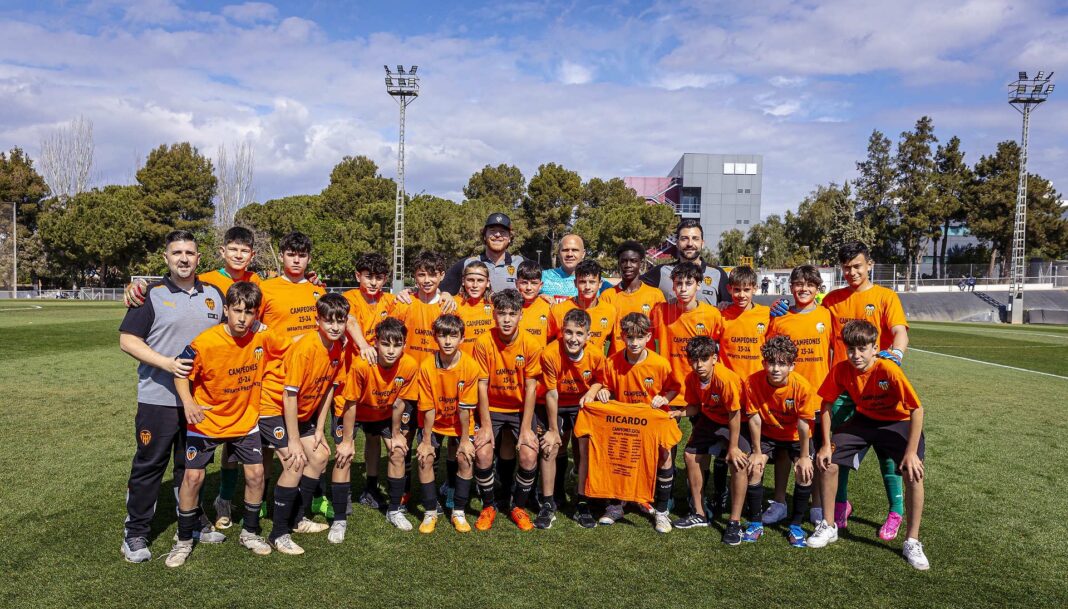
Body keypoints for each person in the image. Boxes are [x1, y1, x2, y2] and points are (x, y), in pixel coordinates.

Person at [118, 230, 227, 563]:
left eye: (189, 253)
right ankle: (135, 533)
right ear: (166, 258)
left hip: (200, 401)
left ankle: (192, 522)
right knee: (150, 465)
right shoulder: (151, 295)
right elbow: (127, 340)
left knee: (191, 465)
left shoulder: (214, 294)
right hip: (158, 399)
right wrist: (167, 363)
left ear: (199, 258)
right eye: (177, 252)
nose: (183, 258)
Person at [165, 281, 275, 566]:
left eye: (249, 312)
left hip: (244, 420)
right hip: (207, 420)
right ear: (226, 310)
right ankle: (183, 539)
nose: (242, 318)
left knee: (256, 475)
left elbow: (292, 344)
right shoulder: (205, 342)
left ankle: (250, 533)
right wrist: (188, 403)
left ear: (256, 314)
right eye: (237, 311)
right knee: (193, 478)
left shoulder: (263, 337)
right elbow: (180, 371)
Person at [809, 320, 929, 571]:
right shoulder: (842, 369)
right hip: (865, 420)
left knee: (913, 472)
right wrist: (826, 444)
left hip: (898, 422)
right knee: (827, 462)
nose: (856, 355)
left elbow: (916, 409)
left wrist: (911, 453)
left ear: (875, 348)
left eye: (862, 349)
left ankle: (912, 541)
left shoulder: (888, 369)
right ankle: (828, 525)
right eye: (851, 349)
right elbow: (826, 404)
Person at [821, 241, 909, 540]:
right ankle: (841, 505)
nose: (852, 272)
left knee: (888, 454)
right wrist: (781, 310)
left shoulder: (885, 296)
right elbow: (812, 324)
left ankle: (896, 511)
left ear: (869, 264)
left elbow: (898, 331)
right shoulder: (832, 300)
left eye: (857, 266)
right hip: (844, 389)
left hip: (878, 388)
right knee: (840, 450)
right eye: (846, 267)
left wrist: (896, 354)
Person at [259, 293, 349, 555]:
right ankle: (278, 533)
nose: (335, 326)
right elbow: (289, 396)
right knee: (295, 461)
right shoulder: (306, 348)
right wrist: (295, 440)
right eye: (329, 320)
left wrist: (319, 428)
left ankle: (297, 519)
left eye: (340, 321)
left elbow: (329, 388)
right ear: (317, 320)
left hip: (301, 413)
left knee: (319, 456)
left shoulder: (338, 347)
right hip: (273, 408)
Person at [330, 318, 419, 539]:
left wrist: (396, 434)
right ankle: (339, 520)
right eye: (385, 344)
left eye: (397, 345)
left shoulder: (409, 365)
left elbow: (399, 402)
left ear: (404, 344)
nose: (391, 350)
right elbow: (350, 403)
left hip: (383, 412)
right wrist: (347, 441)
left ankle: (394, 510)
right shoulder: (362, 365)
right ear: (376, 343)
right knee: (344, 456)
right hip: (354, 411)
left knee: (398, 451)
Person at [593, 312, 679, 532]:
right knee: (617, 455)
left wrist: (664, 398)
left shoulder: (660, 364)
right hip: (625, 423)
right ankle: (615, 506)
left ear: (648, 337)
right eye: (629, 337)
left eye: (639, 337)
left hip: (652, 422)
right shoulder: (612, 362)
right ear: (622, 336)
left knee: (665, 455)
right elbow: (606, 385)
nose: (634, 342)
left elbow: (673, 388)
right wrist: (604, 391)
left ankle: (661, 511)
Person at [472, 289, 544, 531]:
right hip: (491, 407)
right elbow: (481, 385)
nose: (506, 319)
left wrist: (526, 429)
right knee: (483, 452)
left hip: (519, 408)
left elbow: (531, 388)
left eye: (512, 314)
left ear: (521, 315)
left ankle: (518, 506)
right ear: (493, 315)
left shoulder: (530, 344)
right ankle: (489, 506)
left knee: (529, 454)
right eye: (501, 313)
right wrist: (485, 426)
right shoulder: (483, 342)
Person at [766, 265, 832, 525]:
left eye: (810, 285)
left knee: (813, 454)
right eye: (799, 284)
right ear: (791, 287)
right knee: (783, 451)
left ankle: (816, 505)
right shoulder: (779, 318)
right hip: (784, 397)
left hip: (817, 398)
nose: (804, 289)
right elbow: (769, 354)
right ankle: (780, 502)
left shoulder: (826, 315)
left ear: (818, 288)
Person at [739, 336, 819, 548]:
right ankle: (755, 523)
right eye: (771, 362)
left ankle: (796, 525)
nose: (775, 369)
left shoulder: (802, 386)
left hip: (795, 437)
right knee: (754, 467)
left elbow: (804, 425)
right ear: (763, 363)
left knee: (804, 472)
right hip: (768, 434)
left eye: (782, 364)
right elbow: (754, 418)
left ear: (792, 366)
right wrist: (756, 451)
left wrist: (804, 457)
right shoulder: (752, 382)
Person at [671, 337, 749, 546]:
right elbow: (695, 406)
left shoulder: (726, 379)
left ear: (714, 358)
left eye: (704, 359)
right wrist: (678, 412)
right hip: (710, 419)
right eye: (694, 360)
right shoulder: (691, 378)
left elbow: (735, 413)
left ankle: (734, 522)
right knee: (690, 455)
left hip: (736, 421)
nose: (699, 365)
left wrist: (733, 447)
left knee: (738, 462)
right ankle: (699, 513)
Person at [414, 314, 484, 534]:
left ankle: (458, 512)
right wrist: (426, 441)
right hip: (434, 421)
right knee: (425, 458)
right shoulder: (426, 366)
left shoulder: (470, 366)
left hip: (459, 421)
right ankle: (430, 512)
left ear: (462, 338)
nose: (447, 341)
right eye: (443, 335)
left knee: (465, 457)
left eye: (453, 336)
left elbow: (465, 409)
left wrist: (465, 440)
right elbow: (427, 407)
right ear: (435, 337)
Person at [536, 308, 605, 528]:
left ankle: (582, 501)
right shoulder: (550, 353)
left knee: (585, 449)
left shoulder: (596, 354)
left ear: (588, 335)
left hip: (579, 404)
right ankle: (548, 503)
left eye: (579, 333)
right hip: (555, 402)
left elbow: (600, 379)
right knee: (550, 446)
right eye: (568, 332)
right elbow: (551, 393)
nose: (573, 339)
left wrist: (592, 392)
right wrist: (553, 430)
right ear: (561, 331)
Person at [712, 265, 770, 517]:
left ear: (755, 289)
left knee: (753, 448)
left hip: (757, 394)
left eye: (746, 290)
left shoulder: (767, 315)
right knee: (723, 447)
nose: (741, 295)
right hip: (729, 393)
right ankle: (719, 494)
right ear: (729, 289)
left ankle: (751, 497)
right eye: (736, 290)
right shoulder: (722, 315)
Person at [650, 261, 724, 412]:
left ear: (698, 285)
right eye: (679, 283)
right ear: (673, 286)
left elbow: (721, 349)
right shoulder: (660, 311)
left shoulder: (712, 314)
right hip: (669, 390)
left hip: (701, 388)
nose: (683, 289)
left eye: (689, 283)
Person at [641, 218, 731, 307]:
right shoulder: (661, 271)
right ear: (677, 243)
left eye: (695, 238)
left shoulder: (717, 274)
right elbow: (635, 288)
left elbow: (730, 307)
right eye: (684, 239)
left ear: (702, 243)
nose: (690, 244)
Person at [600, 240, 666, 356]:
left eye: (633, 261)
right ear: (619, 263)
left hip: (645, 361)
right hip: (617, 361)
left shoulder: (655, 295)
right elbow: (602, 334)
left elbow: (662, 334)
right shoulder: (607, 296)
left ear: (641, 263)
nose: (628, 265)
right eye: (624, 261)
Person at [441, 212, 527, 296]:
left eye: (503, 231)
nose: (497, 234)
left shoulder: (521, 263)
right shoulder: (467, 263)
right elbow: (441, 291)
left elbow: (534, 290)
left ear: (509, 238)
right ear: (484, 236)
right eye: (492, 231)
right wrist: (445, 294)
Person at [390, 250, 450, 364]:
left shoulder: (448, 306)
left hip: (436, 370)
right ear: (415, 276)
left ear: (442, 275)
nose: (427, 280)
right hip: (406, 369)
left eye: (432, 275)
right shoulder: (402, 303)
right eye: (422, 275)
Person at [547, 259, 617, 353]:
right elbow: (547, 343)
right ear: (575, 283)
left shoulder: (610, 311)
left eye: (592, 282)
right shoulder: (558, 310)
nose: (587, 287)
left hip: (595, 362)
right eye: (583, 282)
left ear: (600, 284)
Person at [342, 252, 396, 363]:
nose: (373, 283)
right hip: (354, 362)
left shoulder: (390, 300)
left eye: (379, 278)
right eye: (368, 277)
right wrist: (364, 346)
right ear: (358, 276)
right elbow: (350, 321)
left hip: (381, 363)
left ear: (385, 279)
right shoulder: (348, 297)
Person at [540, 234, 611, 303]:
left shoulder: (597, 282)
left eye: (574, 250)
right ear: (559, 253)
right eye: (565, 250)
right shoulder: (543, 277)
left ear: (583, 253)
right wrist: (537, 298)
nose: (569, 254)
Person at [454, 261, 495, 355]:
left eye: (480, 280)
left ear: (488, 283)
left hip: (489, 361)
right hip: (463, 361)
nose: (475, 285)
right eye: (470, 280)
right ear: (463, 281)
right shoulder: (453, 304)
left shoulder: (495, 305)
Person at [515, 260, 552, 347]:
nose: (529, 287)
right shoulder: (510, 306)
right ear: (516, 284)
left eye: (534, 283)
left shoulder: (549, 307)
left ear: (541, 285)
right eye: (524, 282)